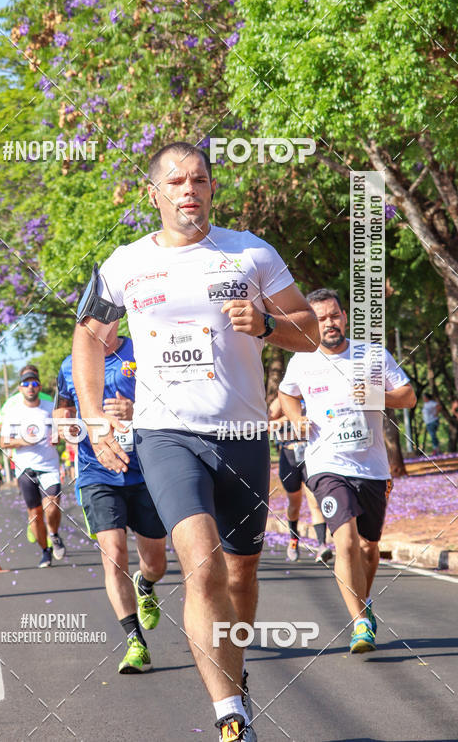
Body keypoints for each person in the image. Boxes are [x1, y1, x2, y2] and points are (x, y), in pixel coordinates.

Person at [71, 142, 319, 742]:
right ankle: (229, 717)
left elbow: (308, 331)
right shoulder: (125, 264)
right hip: (166, 434)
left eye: (201, 180)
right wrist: (95, 418)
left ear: (212, 190)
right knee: (202, 564)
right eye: (177, 181)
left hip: (241, 434)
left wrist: (265, 325)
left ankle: (233, 677)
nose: (190, 190)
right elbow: (87, 337)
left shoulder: (250, 252)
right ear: (153, 193)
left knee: (239, 575)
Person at [278, 288, 416, 654]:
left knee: (370, 548)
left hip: (371, 467)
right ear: (311, 322)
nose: (329, 323)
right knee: (347, 540)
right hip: (326, 465)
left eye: (334, 315)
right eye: (320, 318)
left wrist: (377, 396)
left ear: (344, 316)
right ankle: (359, 624)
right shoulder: (302, 359)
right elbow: (285, 393)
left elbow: (408, 396)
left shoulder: (371, 354)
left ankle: (364, 602)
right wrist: (296, 419)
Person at [55, 325, 167, 674]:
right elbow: (62, 410)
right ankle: (135, 642)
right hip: (96, 472)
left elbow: (171, 404)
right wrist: (66, 427)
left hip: (145, 470)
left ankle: (146, 584)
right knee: (113, 553)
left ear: (117, 321)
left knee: (156, 563)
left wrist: (137, 409)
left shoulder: (144, 353)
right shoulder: (68, 365)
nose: (99, 328)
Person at [0, 366, 66, 567]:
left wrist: (58, 436)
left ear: (39, 387)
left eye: (34, 383)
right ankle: (45, 551)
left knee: (52, 506)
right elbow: (4, 442)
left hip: (49, 466)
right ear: (20, 388)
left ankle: (53, 535)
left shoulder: (50, 408)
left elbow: (63, 432)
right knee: (35, 515)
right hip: (25, 469)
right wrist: (23, 441)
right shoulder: (13, 412)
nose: (30, 387)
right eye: (26, 384)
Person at [268, 398, 332, 564]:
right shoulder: (282, 398)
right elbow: (268, 423)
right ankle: (293, 539)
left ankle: (321, 545)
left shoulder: (310, 392)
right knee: (294, 504)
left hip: (309, 454)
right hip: (289, 457)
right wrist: (291, 416)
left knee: (315, 502)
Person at [0, 364, 54, 434]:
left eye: (34, 380)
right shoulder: (11, 402)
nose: (30, 385)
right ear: (20, 386)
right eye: (26, 382)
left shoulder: (48, 399)